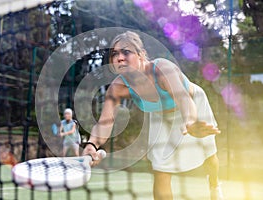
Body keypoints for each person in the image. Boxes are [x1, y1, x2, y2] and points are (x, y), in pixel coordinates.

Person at [83, 31, 224, 200]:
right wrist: (92, 144)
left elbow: (183, 98)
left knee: (209, 155)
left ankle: (215, 185)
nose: (119, 58)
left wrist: (191, 121)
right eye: (115, 54)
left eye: (126, 52)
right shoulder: (118, 87)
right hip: (160, 116)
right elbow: (105, 123)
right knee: (161, 170)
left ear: (141, 54)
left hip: (193, 103)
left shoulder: (162, 69)